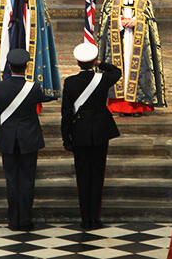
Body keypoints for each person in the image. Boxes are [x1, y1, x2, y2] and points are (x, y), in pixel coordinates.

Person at [0, 49, 54, 231]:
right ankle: (25, 220)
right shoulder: (33, 88)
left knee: (11, 180)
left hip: (7, 139)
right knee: (27, 180)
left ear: (9, 67)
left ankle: (13, 220)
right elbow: (47, 97)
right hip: (29, 138)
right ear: (26, 67)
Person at [61, 43, 121, 230]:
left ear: (78, 62)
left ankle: (85, 218)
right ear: (93, 61)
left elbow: (66, 114)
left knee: (83, 177)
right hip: (100, 132)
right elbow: (117, 72)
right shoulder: (102, 79)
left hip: (80, 132)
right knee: (97, 175)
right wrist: (101, 63)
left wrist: (66, 138)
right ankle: (95, 217)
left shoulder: (70, 82)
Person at [98, 0, 166, 114]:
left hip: (138, 38)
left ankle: (138, 105)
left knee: (137, 70)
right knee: (120, 68)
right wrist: (120, 22)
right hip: (120, 39)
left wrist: (136, 21)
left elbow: (150, 18)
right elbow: (106, 17)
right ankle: (119, 105)